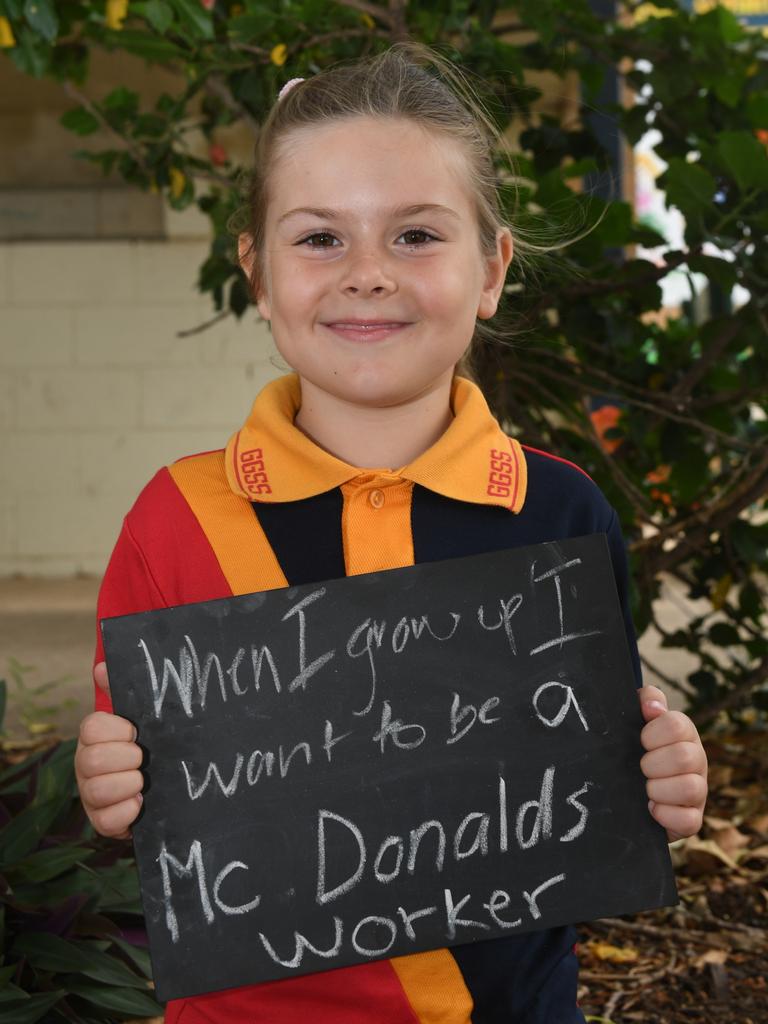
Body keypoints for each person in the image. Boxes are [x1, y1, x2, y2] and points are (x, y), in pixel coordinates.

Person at [75, 43, 708, 1024]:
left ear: (493, 268)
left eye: (416, 234)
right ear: (256, 272)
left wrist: (664, 778)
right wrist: (110, 788)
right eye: (320, 238)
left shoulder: (560, 512)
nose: (367, 274)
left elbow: (596, 789)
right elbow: (141, 801)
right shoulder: (178, 517)